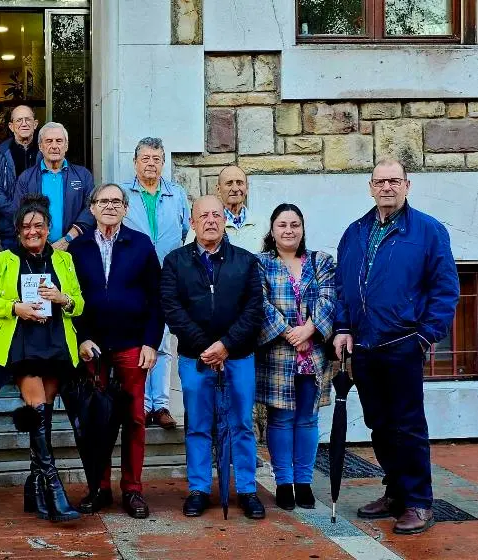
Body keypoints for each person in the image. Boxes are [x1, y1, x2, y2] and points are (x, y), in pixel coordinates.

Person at [334, 158, 459, 535]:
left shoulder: (428, 231)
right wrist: (342, 327)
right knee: (379, 425)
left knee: (408, 426)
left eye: (394, 181)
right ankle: (396, 492)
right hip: (365, 347)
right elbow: (342, 288)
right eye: (380, 181)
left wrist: (424, 336)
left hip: (403, 343)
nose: (387, 187)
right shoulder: (355, 232)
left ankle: (419, 502)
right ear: (370, 187)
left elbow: (445, 289)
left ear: (407, 185)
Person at [0, 193, 83, 523]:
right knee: (37, 410)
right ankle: (54, 487)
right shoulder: (4, 259)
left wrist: (63, 298)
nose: (32, 231)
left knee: (45, 416)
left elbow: (78, 302)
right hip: (21, 343)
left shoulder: (64, 261)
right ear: (18, 231)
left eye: (38, 225)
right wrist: (15, 307)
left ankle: (33, 486)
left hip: (55, 343)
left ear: (49, 227)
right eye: (26, 226)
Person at [161, 195, 265, 519]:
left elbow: (253, 310)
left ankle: (247, 489)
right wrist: (207, 347)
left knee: (242, 425)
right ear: (192, 223)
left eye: (216, 215)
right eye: (203, 215)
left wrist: (226, 345)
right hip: (196, 359)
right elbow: (172, 308)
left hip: (238, 358)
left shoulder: (246, 261)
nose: (210, 220)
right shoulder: (175, 262)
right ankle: (199, 488)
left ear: (225, 220)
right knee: (198, 426)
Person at [68, 184, 163, 519]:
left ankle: (133, 489)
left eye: (116, 202)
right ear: (91, 208)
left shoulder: (140, 245)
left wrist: (152, 342)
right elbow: (70, 301)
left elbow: (156, 298)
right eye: (102, 201)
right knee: (97, 422)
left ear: (125, 208)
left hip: (132, 346)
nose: (109, 206)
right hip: (93, 349)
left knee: (135, 420)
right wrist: (80, 338)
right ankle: (99, 488)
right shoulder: (76, 249)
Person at [255, 203, 336, 511]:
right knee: (281, 418)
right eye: (282, 225)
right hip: (278, 353)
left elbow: (331, 297)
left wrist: (309, 330)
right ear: (272, 230)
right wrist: (290, 332)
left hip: (313, 354)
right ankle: (283, 482)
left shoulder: (321, 261)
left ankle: (303, 483)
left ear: (302, 229)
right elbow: (259, 302)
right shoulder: (261, 263)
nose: (289, 230)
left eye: (294, 225)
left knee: (307, 419)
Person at [121, 137, 190, 430]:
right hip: (132, 278)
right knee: (136, 341)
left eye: (157, 158)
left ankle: (159, 405)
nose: (151, 163)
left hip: (166, 277)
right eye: (146, 158)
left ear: (163, 163)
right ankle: (140, 403)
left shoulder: (177, 194)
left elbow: (186, 229)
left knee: (162, 341)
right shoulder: (122, 193)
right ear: (135, 162)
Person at [12, 122, 95, 251]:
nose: (54, 146)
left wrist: (68, 238)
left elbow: (91, 209)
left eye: (59, 141)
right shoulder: (26, 178)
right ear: (40, 146)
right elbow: (19, 213)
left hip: (75, 247)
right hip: (37, 249)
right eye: (49, 141)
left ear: (66, 146)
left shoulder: (83, 175)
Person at [0, 105, 41, 249]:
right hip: (10, 229)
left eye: (27, 119)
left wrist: (37, 218)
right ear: (11, 126)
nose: (24, 123)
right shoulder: (0, 154)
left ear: (35, 124)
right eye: (19, 120)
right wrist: (20, 216)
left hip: (41, 229)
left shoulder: (44, 152)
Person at [185, 165, 263, 254]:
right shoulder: (202, 224)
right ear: (218, 189)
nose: (235, 189)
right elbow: (189, 258)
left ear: (247, 187)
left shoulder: (262, 224)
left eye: (239, 183)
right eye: (229, 183)